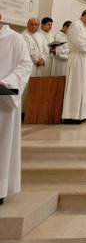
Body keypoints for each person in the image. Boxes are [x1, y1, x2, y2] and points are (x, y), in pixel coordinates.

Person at [0, 14, 33, 205]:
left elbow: (25, 64)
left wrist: (7, 82)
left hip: (4, 100)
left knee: (2, 144)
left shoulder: (15, 38)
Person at [62, 8, 86, 123]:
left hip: (84, 58)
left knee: (82, 85)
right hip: (78, 59)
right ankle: (71, 115)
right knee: (76, 85)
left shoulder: (82, 28)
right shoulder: (76, 26)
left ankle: (79, 114)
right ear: (85, 16)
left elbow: (84, 42)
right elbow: (78, 43)